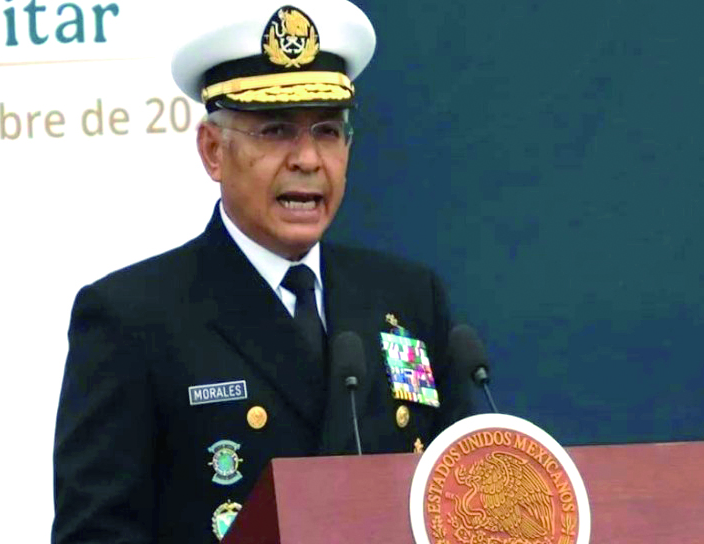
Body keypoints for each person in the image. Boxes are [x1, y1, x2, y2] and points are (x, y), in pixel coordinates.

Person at [51, 1, 474, 542]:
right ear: (212, 151)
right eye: (275, 131)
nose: (307, 159)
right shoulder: (131, 318)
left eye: (327, 131)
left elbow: (463, 499)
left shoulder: (408, 297)